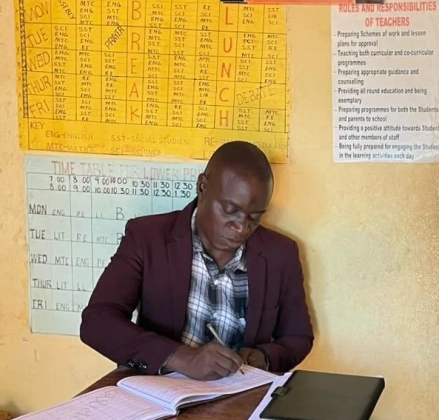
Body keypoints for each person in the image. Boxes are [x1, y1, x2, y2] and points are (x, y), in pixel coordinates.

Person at [80, 141, 313, 380]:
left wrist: (262, 357)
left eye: (254, 217)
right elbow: (97, 322)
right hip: (161, 392)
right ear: (202, 187)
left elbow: (298, 338)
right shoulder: (147, 238)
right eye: (230, 210)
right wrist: (181, 357)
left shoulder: (280, 255)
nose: (242, 227)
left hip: (240, 395)